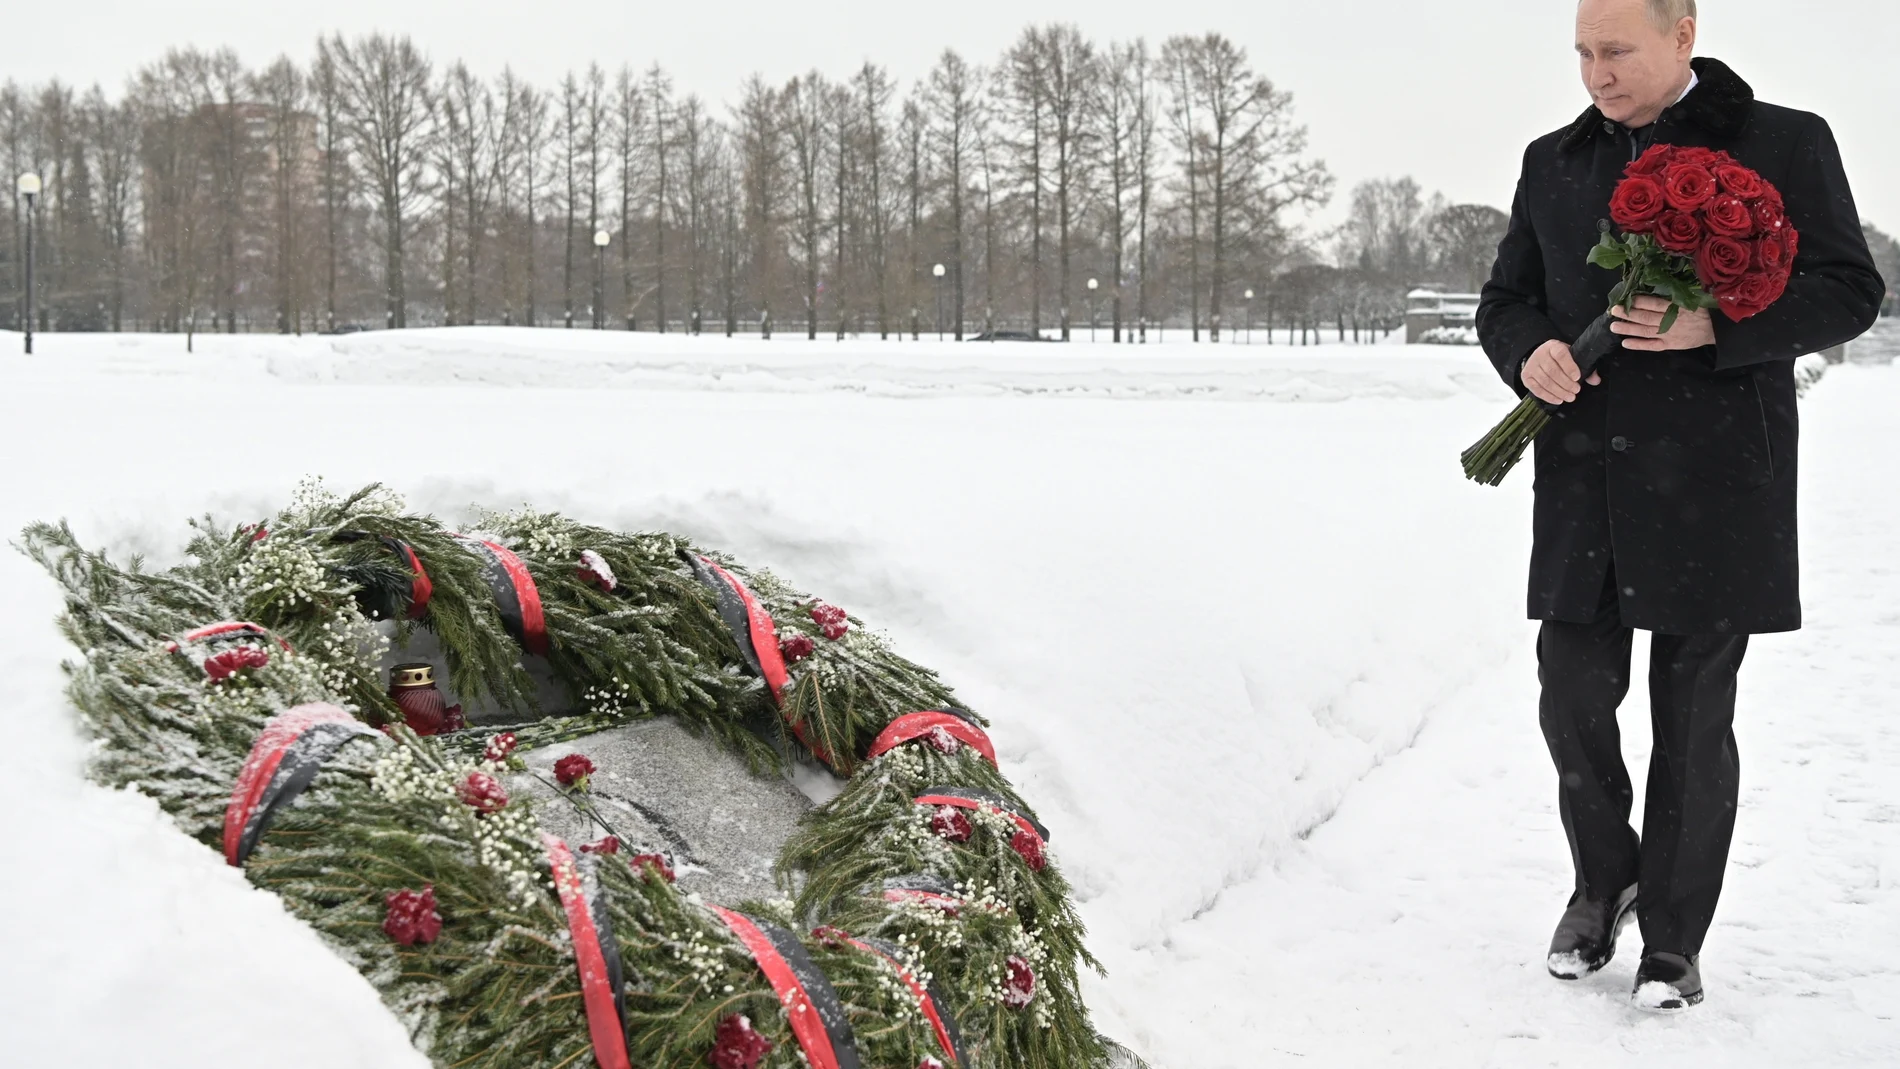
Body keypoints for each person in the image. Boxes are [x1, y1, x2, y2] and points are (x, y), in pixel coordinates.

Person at [1476, 0, 1884, 1012]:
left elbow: (1847, 289)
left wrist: (1718, 325)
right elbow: (1506, 298)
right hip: (1584, 472)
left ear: (1682, 35)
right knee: (1569, 691)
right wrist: (1526, 350)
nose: (1595, 73)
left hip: (1716, 477)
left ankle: (1672, 937)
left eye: (1615, 50)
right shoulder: (1552, 160)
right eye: (1581, 51)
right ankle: (1603, 875)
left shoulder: (1784, 140)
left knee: (1694, 713)